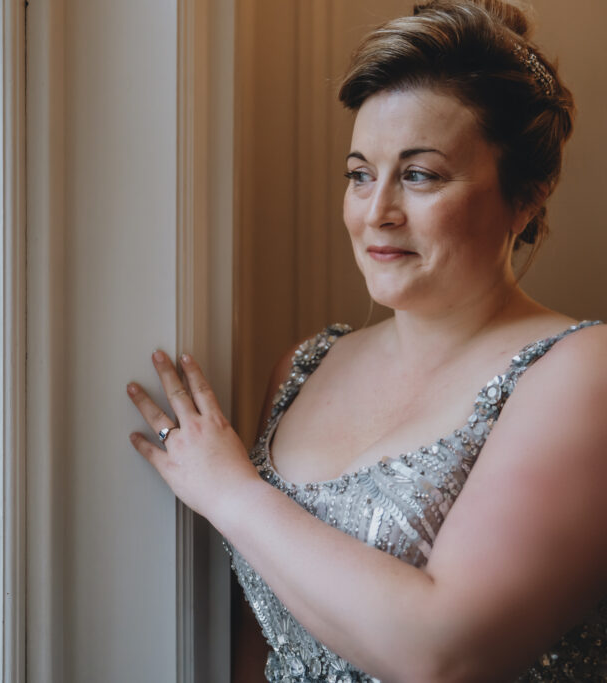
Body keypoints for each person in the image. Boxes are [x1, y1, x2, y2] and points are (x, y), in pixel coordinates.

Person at [125, 1, 607, 681]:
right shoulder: (305, 365)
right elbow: (256, 644)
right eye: (359, 174)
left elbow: (447, 654)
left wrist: (231, 493)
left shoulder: (581, 370)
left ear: (527, 194)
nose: (375, 211)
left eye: (419, 174)